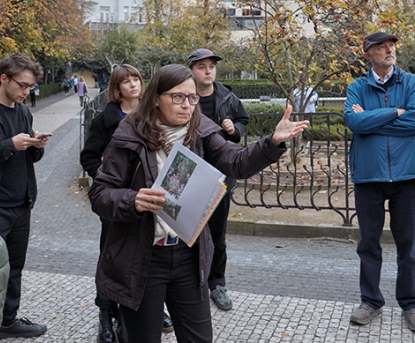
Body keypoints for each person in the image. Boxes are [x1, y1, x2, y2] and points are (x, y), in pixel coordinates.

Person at [88, 64, 308, 343]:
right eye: (178, 97)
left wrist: (272, 142)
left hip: (188, 256)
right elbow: (99, 194)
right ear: (156, 97)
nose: (187, 105)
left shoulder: (201, 130)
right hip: (142, 258)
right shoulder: (129, 134)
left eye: (192, 98)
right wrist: (133, 200)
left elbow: (236, 162)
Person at [344, 32, 415, 332]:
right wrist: (395, 111)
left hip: (408, 175)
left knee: (407, 244)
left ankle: (411, 304)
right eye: (381, 47)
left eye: (391, 46)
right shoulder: (357, 86)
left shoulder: (414, 83)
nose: (389, 50)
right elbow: (354, 123)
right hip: (369, 174)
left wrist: (372, 120)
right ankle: (370, 301)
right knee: (368, 243)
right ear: (368, 54)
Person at [81, 65, 172, 342]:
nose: (133, 85)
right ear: (117, 88)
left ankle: (150, 309)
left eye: (136, 79)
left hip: (151, 204)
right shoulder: (106, 119)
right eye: (126, 81)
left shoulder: (154, 116)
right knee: (113, 258)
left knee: (147, 256)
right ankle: (106, 316)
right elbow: (89, 158)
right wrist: (112, 182)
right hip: (118, 203)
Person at [187, 49, 250, 311]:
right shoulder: (182, 96)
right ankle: (188, 283)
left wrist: (235, 130)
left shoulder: (227, 96)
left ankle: (216, 283)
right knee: (186, 231)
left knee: (217, 234)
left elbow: (243, 120)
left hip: (220, 176)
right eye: (202, 67)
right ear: (191, 70)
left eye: (211, 66)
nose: (208, 71)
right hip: (189, 175)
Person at [0, 53, 49, 339]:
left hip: (22, 203)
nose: (26, 92)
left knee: (15, 266)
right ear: (3, 78)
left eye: (30, 87)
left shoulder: (22, 112)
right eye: (22, 85)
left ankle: (8, 322)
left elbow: (30, 157)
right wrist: (9, 144)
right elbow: (7, 148)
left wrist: (35, 145)